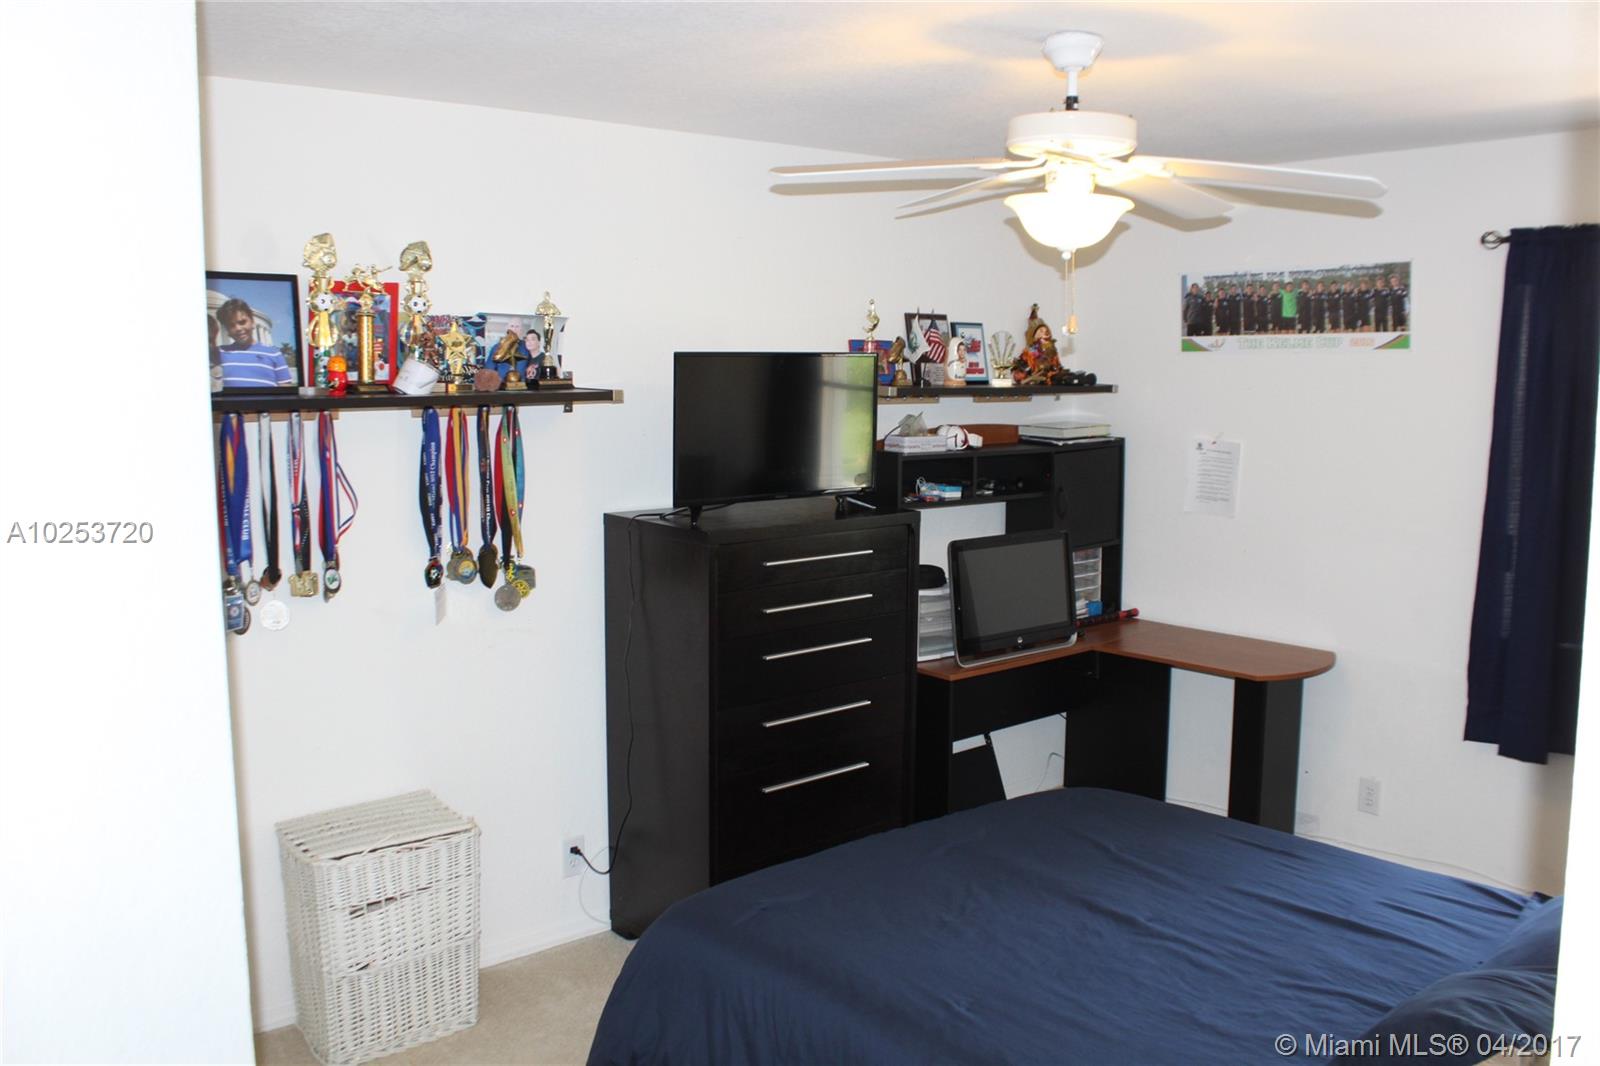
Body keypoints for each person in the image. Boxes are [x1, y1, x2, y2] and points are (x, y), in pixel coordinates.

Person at [216, 297, 293, 388]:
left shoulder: (274, 354)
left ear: (252, 322)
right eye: (231, 325)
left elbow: (285, 387)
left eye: (242, 322)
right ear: (227, 330)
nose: (238, 328)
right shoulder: (219, 353)